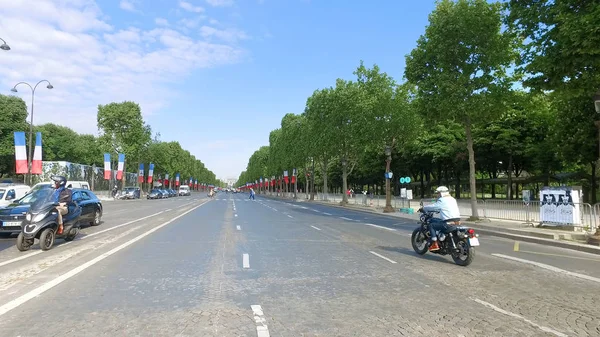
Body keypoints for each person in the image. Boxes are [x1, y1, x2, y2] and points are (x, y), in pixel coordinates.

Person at [422, 186, 460, 252]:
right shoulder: (453, 199)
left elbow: (434, 206)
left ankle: (435, 243)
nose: (437, 195)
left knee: (432, 225)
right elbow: (447, 208)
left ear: (441, 193)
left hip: (448, 222)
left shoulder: (442, 200)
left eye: (438, 193)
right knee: (439, 221)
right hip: (457, 222)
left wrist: (424, 208)